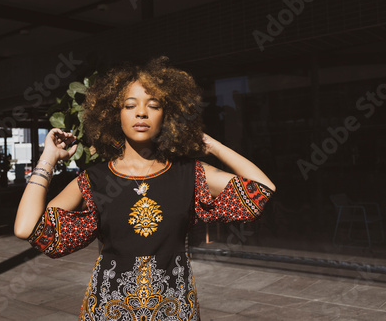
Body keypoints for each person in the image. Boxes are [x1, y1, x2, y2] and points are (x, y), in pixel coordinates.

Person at [14, 57, 275, 320]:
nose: (141, 113)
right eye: (130, 105)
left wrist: (211, 144)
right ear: (115, 115)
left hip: (174, 310)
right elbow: (27, 228)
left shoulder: (190, 173)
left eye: (154, 105)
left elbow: (261, 190)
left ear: (167, 115)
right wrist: (48, 157)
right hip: (110, 310)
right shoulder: (94, 179)